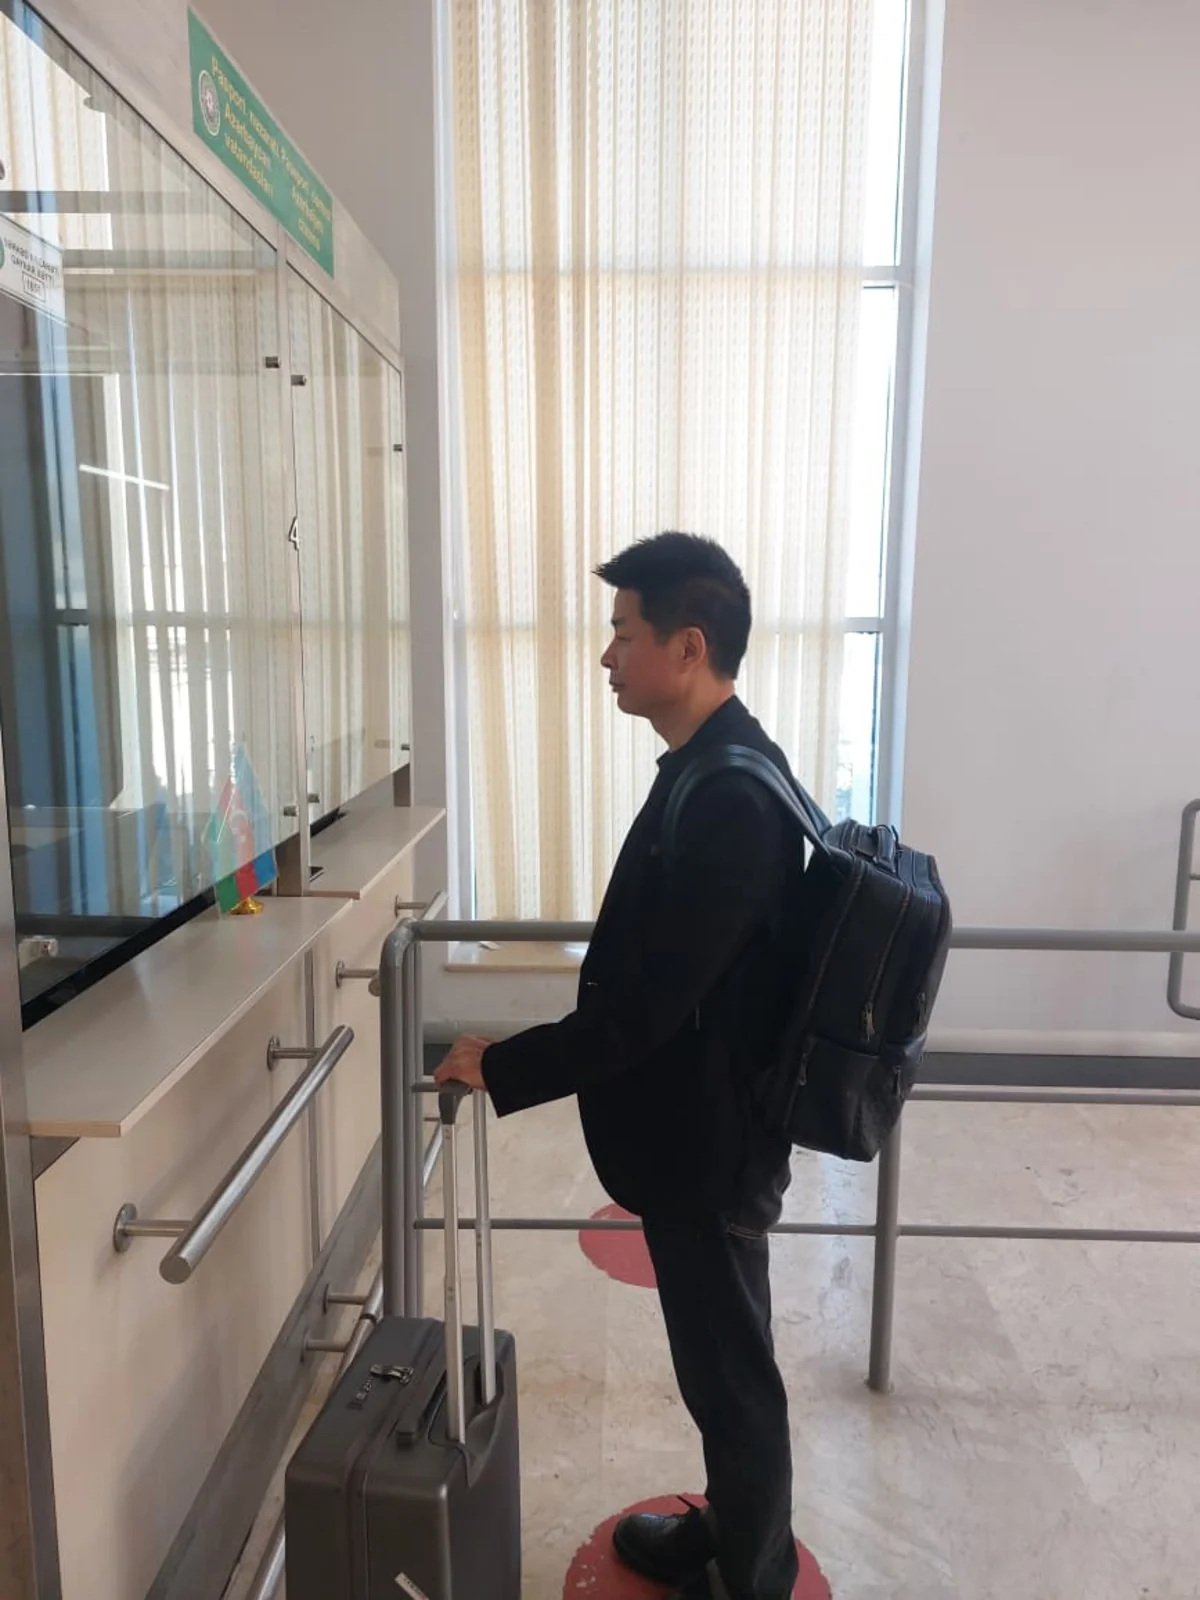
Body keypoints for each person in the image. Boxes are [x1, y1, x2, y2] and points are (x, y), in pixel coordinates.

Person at [436, 531, 801, 1600]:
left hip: (713, 1147)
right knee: (717, 1362)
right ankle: (731, 1532)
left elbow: (646, 1008)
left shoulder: (732, 799)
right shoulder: (712, 766)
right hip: (700, 1131)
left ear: (687, 648)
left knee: (732, 1375)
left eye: (623, 632)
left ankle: (756, 1575)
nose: (607, 655)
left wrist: (506, 1066)